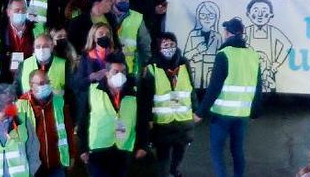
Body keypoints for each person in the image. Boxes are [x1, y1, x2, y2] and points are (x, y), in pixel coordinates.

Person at [194, 17, 262, 177]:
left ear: (227, 33)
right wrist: (255, 112)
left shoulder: (224, 54)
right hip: (242, 114)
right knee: (237, 151)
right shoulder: (253, 55)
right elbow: (258, 87)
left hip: (222, 115)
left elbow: (214, 87)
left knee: (217, 152)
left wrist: (200, 112)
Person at [76, 53, 147, 177]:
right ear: (107, 73)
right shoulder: (93, 91)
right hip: (98, 150)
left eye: (123, 72)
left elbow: (142, 121)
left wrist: (142, 145)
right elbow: (83, 121)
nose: (120, 75)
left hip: (123, 149)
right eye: (116, 72)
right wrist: (82, 149)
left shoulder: (134, 93)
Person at [142, 33, 195, 177]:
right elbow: (147, 97)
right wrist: (149, 119)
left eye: (172, 44)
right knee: (163, 156)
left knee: (180, 151)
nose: (169, 47)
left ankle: (175, 170)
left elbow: (191, 88)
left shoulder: (184, 64)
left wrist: (195, 110)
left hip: (183, 119)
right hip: (162, 122)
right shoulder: (151, 67)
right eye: (165, 45)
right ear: (159, 48)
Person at [18, 67, 75, 177]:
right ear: (31, 85)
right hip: (33, 166)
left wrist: (71, 154)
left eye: (47, 82)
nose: (45, 86)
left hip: (56, 164)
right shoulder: (21, 105)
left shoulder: (58, 102)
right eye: (41, 83)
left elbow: (68, 129)